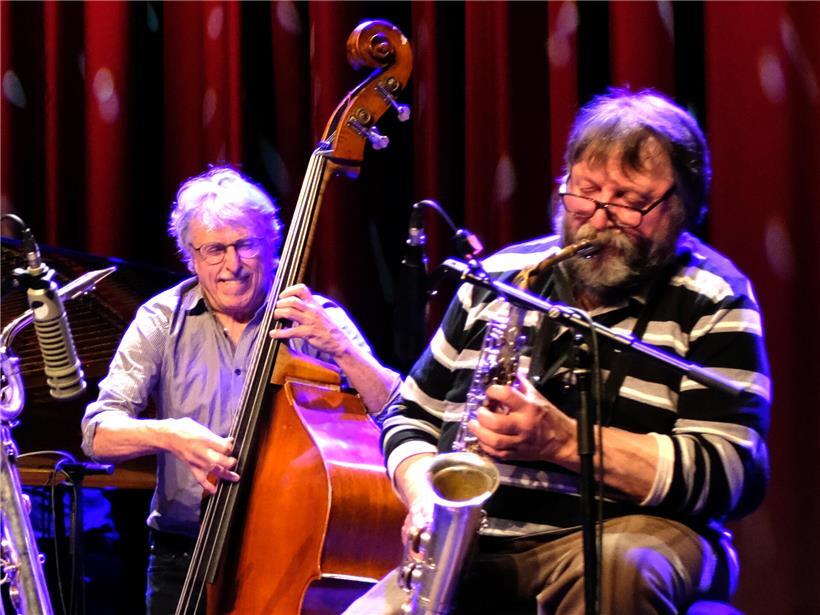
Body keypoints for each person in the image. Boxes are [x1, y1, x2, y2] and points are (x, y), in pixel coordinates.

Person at [346, 89, 770, 614]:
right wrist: (423, 494)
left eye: (631, 202)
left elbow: (732, 470)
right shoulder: (500, 276)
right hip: (477, 547)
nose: (599, 216)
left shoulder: (714, 296)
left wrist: (563, 441)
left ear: (683, 206)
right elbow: (410, 414)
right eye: (585, 191)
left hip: (626, 534)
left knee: (621, 566)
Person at [80, 165, 401, 614]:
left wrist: (342, 348)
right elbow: (97, 434)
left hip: (290, 555)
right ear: (190, 256)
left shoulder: (314, 317)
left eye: (245, 245)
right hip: (183, 556)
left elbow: (396, 410)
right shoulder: (161, 319)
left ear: (272, 246)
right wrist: (171, 434)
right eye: (214, 250)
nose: (231, 265)